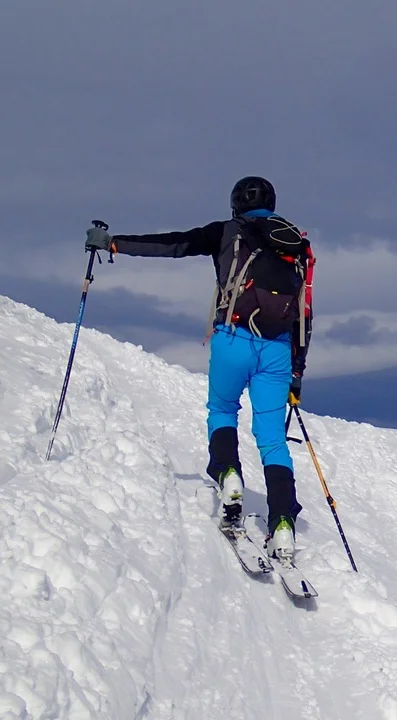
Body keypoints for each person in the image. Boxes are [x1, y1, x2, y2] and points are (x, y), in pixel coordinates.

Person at [85, 176, 315, 563]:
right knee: (273, 440)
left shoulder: (226, 232)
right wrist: (297, 373)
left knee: (223, 410)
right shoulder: (295, 245)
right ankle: (281, 525)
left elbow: (174, 244)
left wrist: (113, 243)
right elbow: (304, 313)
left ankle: (228, 475)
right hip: (277, 350)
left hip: (232, 340)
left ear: (235, 203)